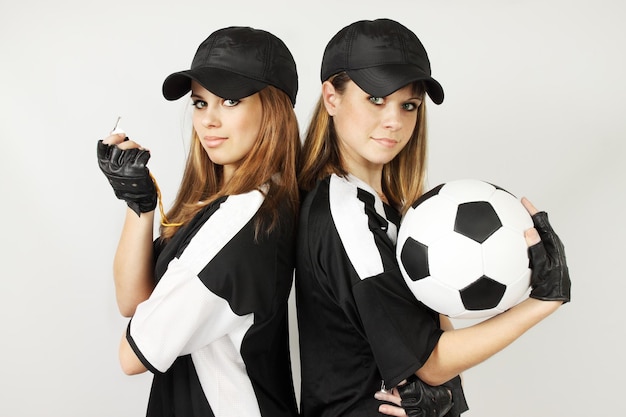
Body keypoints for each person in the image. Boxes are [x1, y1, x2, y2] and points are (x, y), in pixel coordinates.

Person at [295, 18, 570, 417]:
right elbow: (432, 360)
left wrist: (445, 396)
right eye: (375, 98)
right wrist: (544, 300)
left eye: (408, 105)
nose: (394, 120)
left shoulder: (384, 206)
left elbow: (428, 336)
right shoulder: (345, 213)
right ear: (331, 97)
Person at [97, 26, 301, 417]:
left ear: (274, 110)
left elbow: (132, 355)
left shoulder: (243, 222)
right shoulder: (225, 206)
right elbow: (131, 300)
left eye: (230, 101)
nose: (209, 120)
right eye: (200, 103)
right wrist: (140, 204)